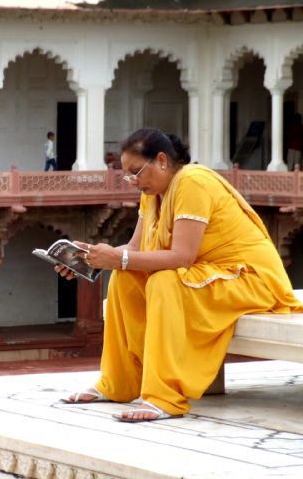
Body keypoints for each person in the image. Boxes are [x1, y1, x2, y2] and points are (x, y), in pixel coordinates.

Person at [59, 127, 303, 422]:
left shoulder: (192, 182)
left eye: (136, 172)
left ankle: (165, 397)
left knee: (164, 280)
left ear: (161, 160)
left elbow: (181, 257)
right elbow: (134, 249)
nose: (132, 182)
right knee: (124, 277)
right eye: (127, 175)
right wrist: (92, 258)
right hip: (207, 275)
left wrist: (117, 258)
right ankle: (119, 383)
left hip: (249, 279)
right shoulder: (153, 193)